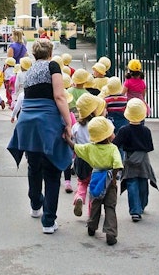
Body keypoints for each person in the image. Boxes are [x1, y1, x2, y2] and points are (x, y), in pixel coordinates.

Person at [7, 38, 74, 235]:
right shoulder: (53, 66)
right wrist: (68, 123)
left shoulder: (30, 70)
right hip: (47, 122)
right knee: (52, 172)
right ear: (50, 52)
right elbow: (59, 96)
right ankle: (48, 220)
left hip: (27, 123)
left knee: (34, 165)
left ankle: (36, 204)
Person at [75, 116, 123, 245]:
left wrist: (68, 138)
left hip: (96, 178)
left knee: (95, 204)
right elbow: (118, 164)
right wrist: (113, 178)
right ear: (107, 135)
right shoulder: (113, 148)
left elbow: (76, 148)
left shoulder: (90, 148)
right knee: (110, 207)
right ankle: (110, 233)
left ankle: (91, 226)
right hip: (109, 180)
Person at [115, 98, 157, 222]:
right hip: (143, 159)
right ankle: (142, 204)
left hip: (129, 158)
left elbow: (116, 144)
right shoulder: (146, 130)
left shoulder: (124, 130)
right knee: (143, 181)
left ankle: (135, 210)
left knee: (131, 182)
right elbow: (150, 147)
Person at [71, 93, 106, 219]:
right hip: (96, 159)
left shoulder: (76, 126)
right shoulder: (99, 124)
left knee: (82, 182)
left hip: (81, 159)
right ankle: (92, 213)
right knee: (94, 187)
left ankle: (79, 197)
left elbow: (72, 139)